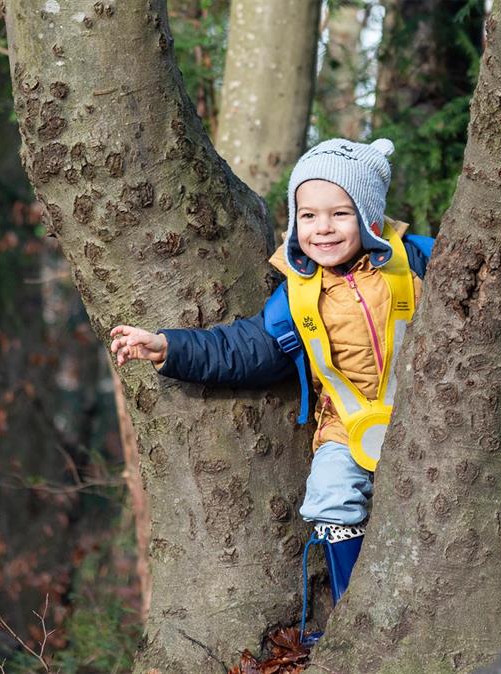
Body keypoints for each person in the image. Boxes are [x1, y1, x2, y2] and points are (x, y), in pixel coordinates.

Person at [109, 138, 433, 630]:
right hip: (348, 426)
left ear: (369, 216)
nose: (322, 228)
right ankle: (355, 608)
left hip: (425, 415)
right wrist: (169, 348)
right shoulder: (298, 295)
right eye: (308, 216)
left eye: (339, 214)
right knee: (329, 495)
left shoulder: (416, 262)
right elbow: (245, 347)